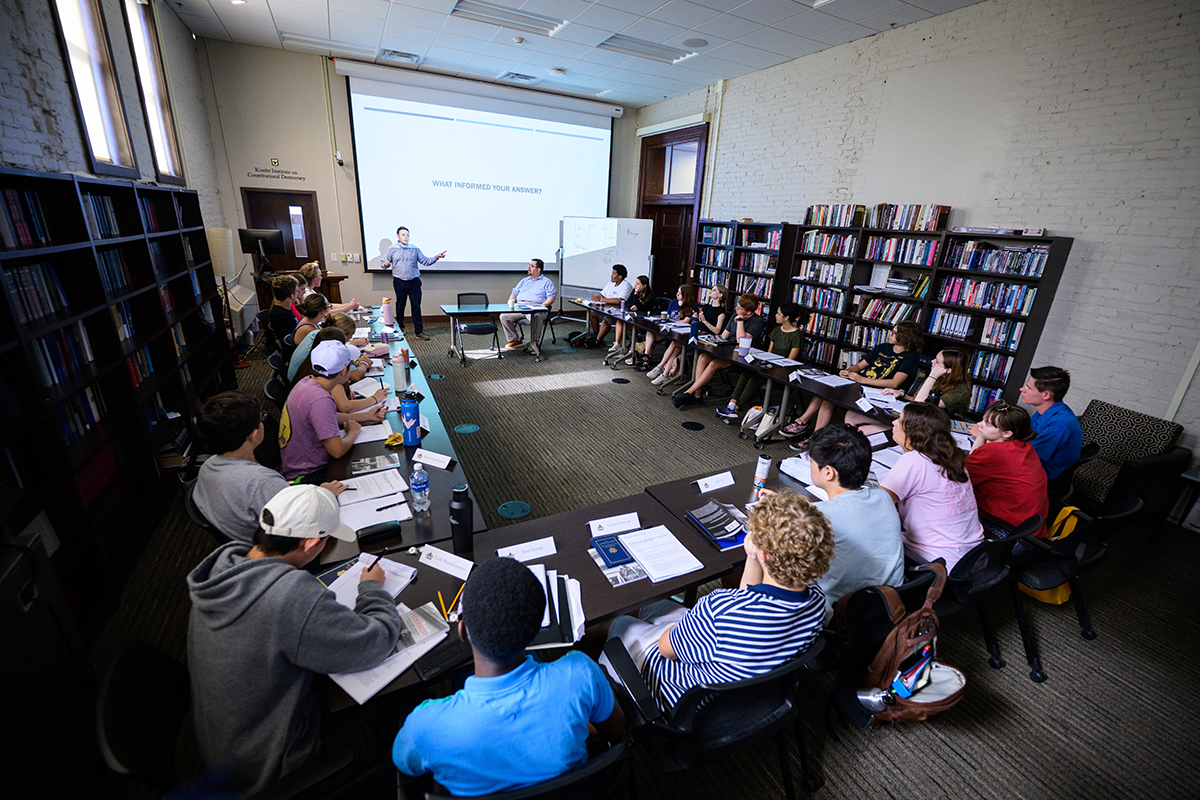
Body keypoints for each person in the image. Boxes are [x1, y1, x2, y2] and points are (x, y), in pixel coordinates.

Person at [187, 485, 402, 794]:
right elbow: (376, 641)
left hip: (225, 747)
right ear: (312, 542)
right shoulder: (289, 596)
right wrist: (372, 590)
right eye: (326, 541)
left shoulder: (221, 569)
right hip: (272, 766)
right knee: (402, 703)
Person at [393, 557, 624, 796]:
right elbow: (615, 730)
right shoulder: (580, 675)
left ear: (462, 631)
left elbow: (406, 766)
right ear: (536, 630)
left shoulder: (425, 727)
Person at [602, 490, 831, 711]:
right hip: (754, 686)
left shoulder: (718, 610)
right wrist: (752, 557)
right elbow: (745, 599)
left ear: (765, 555)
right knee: (659, 606)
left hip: (684, 698)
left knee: (622, 624)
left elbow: (666, 649)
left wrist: (685, 630)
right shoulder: (817, 601)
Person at [193, 392, 344, 544]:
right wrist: (325, 496)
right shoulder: (263, 482)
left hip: (247, 544)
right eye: (261, 419)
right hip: (281, 549)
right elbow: (304, 525)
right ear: (253, 434)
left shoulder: (207, 466)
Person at [805, 424, 905, 616]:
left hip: (842, 614)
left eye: (810, 461)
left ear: (828, 472)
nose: (809, 466)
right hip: (890, 606)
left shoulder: (819, 517)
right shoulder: (883, 497)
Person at [784, 320, 925, 445]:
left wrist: (861, 379)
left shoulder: (911, 357)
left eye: (894, 333)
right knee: (828, 391)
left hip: (879, 393)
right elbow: (859, 366)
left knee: (832, 397)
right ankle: (805, 425)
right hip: (860, 384)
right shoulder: (882, 347)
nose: (890, 334)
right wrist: (849, 371)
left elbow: (894, 383)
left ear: (904, 338)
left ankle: (813, 436)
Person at [880, 403, 984, 571]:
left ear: (914, 434)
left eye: (899, 420)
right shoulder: (953, 457)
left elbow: (877, 503)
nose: (893, 423)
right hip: (973, 557)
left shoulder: (914, 461)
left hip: (937, 562)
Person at [279, 340, 384, 481]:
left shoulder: (307, 382)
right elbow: (337, 450)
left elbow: (328, 417)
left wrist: (365, 415)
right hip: (308, 475)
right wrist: (353, 431)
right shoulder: (320, 400)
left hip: (296, 464)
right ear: (342, 372)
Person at [967, 400, 1049, 538]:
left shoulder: (994, 452)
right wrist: (982, 434)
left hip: (1009, 535)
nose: (979, 425)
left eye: (987, 424)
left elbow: (961, 476)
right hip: (1032, 532)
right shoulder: (1024, 446)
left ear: (1006, 434)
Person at [714, 302, 808, 421]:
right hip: (769, 366)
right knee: (745, 374)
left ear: (786, 317)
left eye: (778, 314)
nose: (775, 315)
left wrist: (770, 365)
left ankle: (735, 409)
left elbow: (790, 361)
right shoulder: (777, 330)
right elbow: (768, 353)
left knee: (754, 379)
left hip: (782, 371)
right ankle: (731, 404)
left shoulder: (797, 335)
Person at [672, 292, 765, 407]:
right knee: (702, 357)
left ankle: (688, 393)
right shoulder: (735, 315)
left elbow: (741, 341)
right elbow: (724, 336)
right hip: (728, 350)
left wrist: (740, 320)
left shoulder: (757, 321)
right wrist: (711, 340)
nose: (736, 309)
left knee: (713, 364)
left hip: (743, 356)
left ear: (749, 312)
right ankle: (697, 395)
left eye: (740, 308)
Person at [1019, 365, 1083, 480]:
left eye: (1028, 388)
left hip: (1040, 477)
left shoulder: (1059, 424)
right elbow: (1024, 434)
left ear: (1046, 395)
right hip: (1033, 463)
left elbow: (1026, 458)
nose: (1022, 389)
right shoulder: (1048, 410)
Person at [383, 226, 445, 340]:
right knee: (400, 305)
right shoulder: (391, 249)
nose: (406, 237)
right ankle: (400, 327)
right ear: (397, 236)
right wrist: (386, 264)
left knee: (416, 307)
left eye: (407, 235)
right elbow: (384, 263)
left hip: (414, 282)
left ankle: (419, 332)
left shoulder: (415, 249)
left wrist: (436, 257)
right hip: (399, 281)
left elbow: (425, 261)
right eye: (403, 235)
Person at [883, 348, 971, 416]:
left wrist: (932, 376)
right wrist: (903, 394)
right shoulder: (941, 378)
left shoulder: (960, 391)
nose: (932, 361)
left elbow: (920, 404)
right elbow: (923, 399)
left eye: (936, 361)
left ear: (948, 370)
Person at [645, 284, 702, 383]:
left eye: (680, 293)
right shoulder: (673, 302)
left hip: (681, 335)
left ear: (686, 295)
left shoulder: (692, 307)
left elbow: (685, 321)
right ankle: (648, 358)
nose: (677, 294)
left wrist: (671, 322)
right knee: (651, 331)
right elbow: (668, 314)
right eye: (677, 292)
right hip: (670, 330)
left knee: (674, 346)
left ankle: (662, 369)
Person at [288, 315, 369, 384]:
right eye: (350, 336)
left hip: (295, 381)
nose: (350, 339)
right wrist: (364, 362)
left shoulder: (316, 334)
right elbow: (355, 376)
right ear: (342, 334)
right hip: (301, 383)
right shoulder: (330, 350)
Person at [500, 258, 556, 356]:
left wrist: (541, 307)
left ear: (538, 270)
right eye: (529, 265)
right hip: (521, 307)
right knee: (504, 316)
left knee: (536, 316)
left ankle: (535, 343)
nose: (528, 268)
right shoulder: (524, 281)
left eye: (531, 266)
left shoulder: (547, 282)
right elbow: (514, 293)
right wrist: (511, 302)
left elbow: (551, 298)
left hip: (536, 307)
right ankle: (515, 340)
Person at [583, 264, 633, 349]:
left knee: (606, 319)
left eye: (614, 273)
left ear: (620, 276)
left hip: (618, 312)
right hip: (606, 308)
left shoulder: (626, 285)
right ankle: (596, 334)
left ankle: (597, 341)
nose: (611, 275)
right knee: (593, 313)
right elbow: (602, 294)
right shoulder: (611, 284)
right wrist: (596, 297)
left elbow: (619, 300)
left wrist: (602, 300)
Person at [614, 274, 656, 362]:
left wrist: (636, 295)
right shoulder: (634, 291)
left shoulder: (650, 296)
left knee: (624, 324)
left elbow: (642, 307)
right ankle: (618, 345)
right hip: (632, 319)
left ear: (644, 286)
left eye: (638, 284)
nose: (635, 286)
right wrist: (632, 306)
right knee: (619, 321)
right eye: (635, 283)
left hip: (642, 322)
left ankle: (628, 351)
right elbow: (628, 303)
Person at [267, 274, 299, 353]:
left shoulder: (283, 309)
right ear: (291, 296)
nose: (298, 294)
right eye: (297, 291)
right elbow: (293, 342)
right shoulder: (282, 316)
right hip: (294, 352)